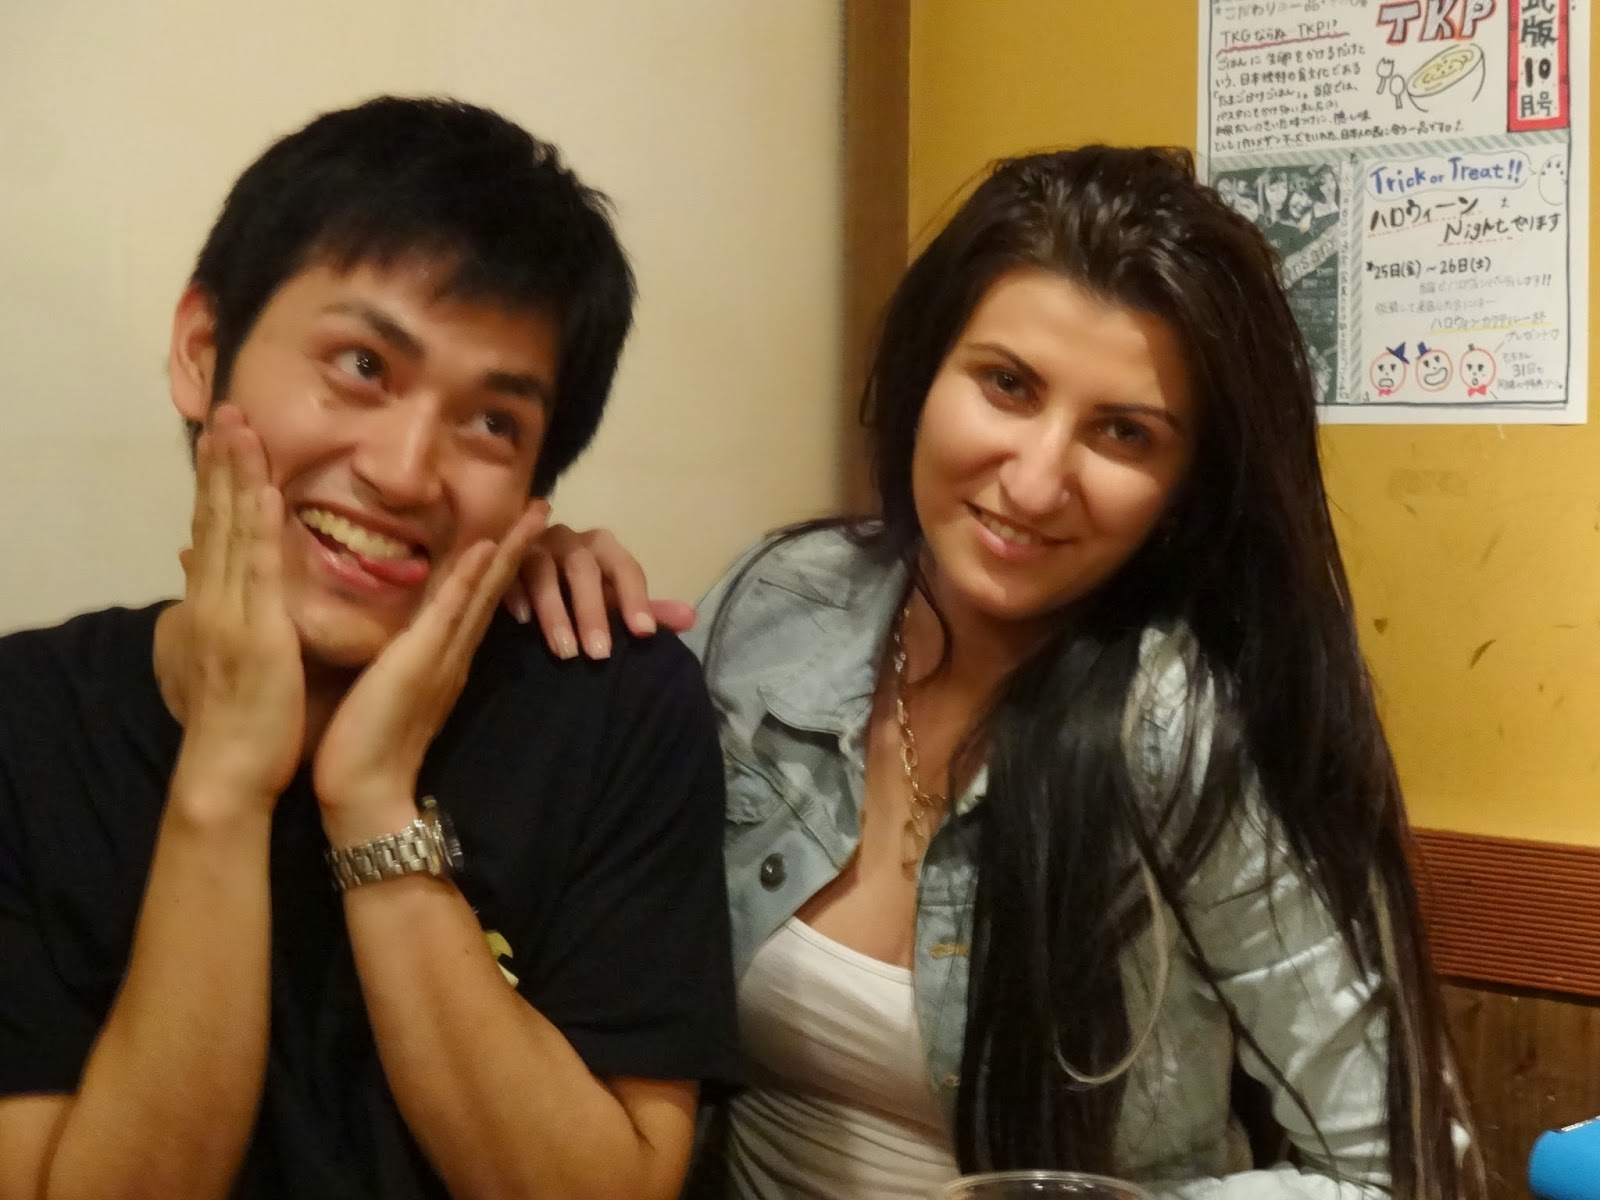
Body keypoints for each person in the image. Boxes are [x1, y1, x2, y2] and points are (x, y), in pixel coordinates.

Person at [523, 145, 1484, 1198]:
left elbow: (1398, 1171)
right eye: (1007, 385)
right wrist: (539, 604)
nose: (1033, 483)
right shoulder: (779, 606)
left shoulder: (1190, 736)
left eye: (1123, 433)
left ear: (1187, 487)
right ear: (924, 370)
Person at [0, 97, 738, 1200]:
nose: (402, 471)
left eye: (492, 424)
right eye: (360, 364)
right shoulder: (27, 723)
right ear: (203, 352)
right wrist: (224, 784)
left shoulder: (614, 708)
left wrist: (375, 806)